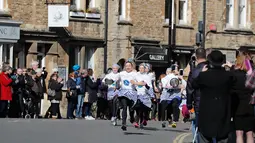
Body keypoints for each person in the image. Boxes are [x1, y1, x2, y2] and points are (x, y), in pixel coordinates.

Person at [192, 50, 236, 143]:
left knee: (205, 137)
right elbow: (236, 79)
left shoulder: (204, 76)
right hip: (223, 112)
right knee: (223, 137)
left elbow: (194, 84)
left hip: (206, 113)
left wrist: (201, 73)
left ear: (210, 61)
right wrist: (232, 67)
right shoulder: (228, 76)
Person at [229, 55, 254, 143]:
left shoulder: (233, 75)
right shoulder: (250, 76)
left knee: (239, 133)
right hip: (249, 106)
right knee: (249, 133)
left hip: (237, 107)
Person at [186, 48, 207, 141]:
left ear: (196, 57)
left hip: (198, 104)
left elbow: (189, 89)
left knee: (197, 126)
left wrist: (189, 105)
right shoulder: (211, 69)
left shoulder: (194, 71)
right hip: (212, 103)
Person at [132, 63, 154, 128]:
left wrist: (146, 85)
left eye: (143, 68)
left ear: (145, 69)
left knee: (144, 109)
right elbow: (133, 83)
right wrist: (136, 85)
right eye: (140, 68)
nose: (141, 69)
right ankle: (136, 122)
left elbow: (149, 87)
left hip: (145, 94)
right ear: (138, 68)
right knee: (138, 108)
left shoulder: (147, 77)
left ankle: (143, 120)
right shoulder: (136, 75)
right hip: (138, 93)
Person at [118, 61, 137, 131]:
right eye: (126, 66)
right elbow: (115, 79)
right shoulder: (121, 74)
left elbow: (140, 82)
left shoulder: (135, 74)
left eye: (129, 66)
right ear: (124, 67)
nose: (128, 67)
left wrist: (135, 83)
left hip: (132, 93)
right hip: (123, 93)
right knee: (124, 107)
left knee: (131, 109)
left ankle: (132, 118)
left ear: (132, 67)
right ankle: (124, 123)